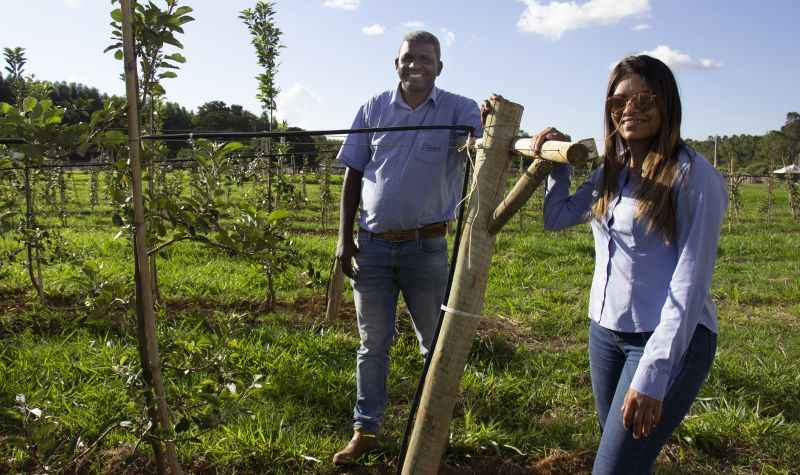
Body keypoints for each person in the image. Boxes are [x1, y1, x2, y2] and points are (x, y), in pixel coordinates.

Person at [535, 55, 727, 473]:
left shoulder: (694, 178)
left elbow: (690, 285)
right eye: (619, 101)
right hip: (605, 335)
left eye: (644, 99)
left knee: (613, 468)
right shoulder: (612, 169)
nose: (629, 109)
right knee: (627, 462)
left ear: (667, 105)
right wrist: (558, 164)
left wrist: (654, 374)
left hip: (666, 342)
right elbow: (556, 217)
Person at [332, 31, 482, 465]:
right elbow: (353, 174)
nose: (415, 64)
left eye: (425, 59)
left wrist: (487, 124)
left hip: (427, 248)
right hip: (373, 248)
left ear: (440, 66)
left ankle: (433, 428)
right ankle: (365, 430)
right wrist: (345, 239)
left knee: (433, 344)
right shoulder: (373, 108)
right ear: (394, 63)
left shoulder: (460, 109)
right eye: (407, 58)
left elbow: (482, 147)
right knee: (371, 342)